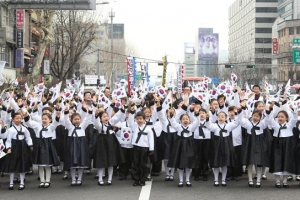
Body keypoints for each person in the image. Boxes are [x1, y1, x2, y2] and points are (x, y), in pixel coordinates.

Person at [23, 111, 61, 188]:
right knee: (40, 165)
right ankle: (42, 181)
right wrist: (27, 116)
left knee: (47, 164)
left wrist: (57, 117)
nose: (44, 120)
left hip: (48, 145)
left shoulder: (51, 126)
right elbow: (29, 123)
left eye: (46, 119)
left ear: (50, 120)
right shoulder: (38, 125)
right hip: (39, 145)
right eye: (42, 119)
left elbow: (55, 123)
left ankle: (47, 180)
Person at [205, 109, 242, 187]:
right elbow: (209, 126)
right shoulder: (215, 126)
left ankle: (223, 180)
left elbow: (237, 122)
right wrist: (207, 119)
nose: (220, 118)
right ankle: (216, 180)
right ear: (217, 118)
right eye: (219, 116)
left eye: (222, 117)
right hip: (217, 145)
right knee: (216, 163)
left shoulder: (228, 125)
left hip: (226, 145)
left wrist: (238, 113)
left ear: (226, 118)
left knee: (225, 164)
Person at [167, 101, 200, 187]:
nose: (185, 120)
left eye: (187, 119)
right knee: (181, 164)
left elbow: (197, 123)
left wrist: (197, 114)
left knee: (188, 164)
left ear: (189, 120)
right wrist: (171, 115)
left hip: (189, 145)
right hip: (180, 145)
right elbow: (173, 122)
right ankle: (181, 180)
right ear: (180, 121)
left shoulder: (191, 127)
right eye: (183, 119)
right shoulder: (178, 126)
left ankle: (188, 180)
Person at [93, 106, 126, 186]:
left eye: (107, 116)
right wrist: (96, 116)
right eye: (104, 117)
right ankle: (100, 179)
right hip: (102, 144)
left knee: (111, 162)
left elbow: (116, 117)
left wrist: (121, 110)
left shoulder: (110, 123)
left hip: (111, 144)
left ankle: (110, 179)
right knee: (102, 162)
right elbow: (96, 124)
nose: (106, 118)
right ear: (100, 119)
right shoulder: (100, 126)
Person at [267, 104, 297, 188]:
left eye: (282, 117)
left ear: (286, 118)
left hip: (287, 144)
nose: (280, 118)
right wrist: (270, 110)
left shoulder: (290, 125)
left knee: (287, 161)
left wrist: (292, 109)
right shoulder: (275, 125)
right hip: (277, 144)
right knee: (277, 162)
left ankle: (285, 182)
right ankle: (277, 182)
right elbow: (269, 119)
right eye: (278, 116)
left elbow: (295, 118)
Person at [63, 102, 93, 186]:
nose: (77, 121)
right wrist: (66, 111)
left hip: (81, 145)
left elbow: (87, 119)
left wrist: (90, 111)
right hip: (72, 144)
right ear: (72, 120)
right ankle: (73, 179)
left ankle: (79, 179)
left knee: (81, 163)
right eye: (75, 119)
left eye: (78, 119)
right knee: (72, 164)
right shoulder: (69, 126)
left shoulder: (83, 126)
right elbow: (66, 120)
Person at [2, 112, 33, 190]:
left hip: (22, 148)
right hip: (14, 148)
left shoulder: (24, 128)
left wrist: (30, 145)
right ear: (13, 119)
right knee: (12, 165)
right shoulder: (10, 130)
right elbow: (8, 140)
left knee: (22, 164)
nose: (18, 120)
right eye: (17, 118)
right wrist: (8, 148)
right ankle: (11, 183)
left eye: (20, 118)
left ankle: (22, 182)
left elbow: (28, 137)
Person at [240, 109, 269, 188]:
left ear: (260, 117)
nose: (255, 118)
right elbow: (241, 120)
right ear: (251, 116)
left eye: (257, 116)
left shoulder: (262, 124)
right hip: (250, 143)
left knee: (259, 163)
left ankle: (258, 180)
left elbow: (268, 119)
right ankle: (250, 180)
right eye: (254, 116)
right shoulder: (248, 124)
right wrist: (240, 111)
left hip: (259, 143)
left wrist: (268, 111)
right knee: (250, 163)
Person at [127, 108, 154, 187]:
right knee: (135, 164)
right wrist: (132, 112)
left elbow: (151, 139)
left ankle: (142, 180)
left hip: (145, 148)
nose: (139, 120)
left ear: (144, 119)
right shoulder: (134, 126)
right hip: (136, 147)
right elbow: (130, 121)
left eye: (141, 119)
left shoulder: (148, 129)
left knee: (143, 165)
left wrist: (151, 148)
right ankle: (136, 179)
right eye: (137, 119)